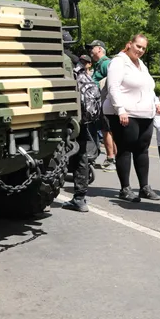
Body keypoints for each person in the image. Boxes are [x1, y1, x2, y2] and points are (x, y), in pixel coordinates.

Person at [104, 33, 160, 202]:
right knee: (125, 149)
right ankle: (125, 188)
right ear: (130, 44)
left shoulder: (141, 64)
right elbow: (113, 87)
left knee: (142, 150)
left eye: (143, 48)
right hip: (126, 113)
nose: (140, 50)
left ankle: (144, 187)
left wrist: (157, 103)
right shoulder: (119, 62)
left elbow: (148, 88)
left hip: (145, 114)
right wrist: (120, 110)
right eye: (138, 46)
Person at [64, 55, 101, 212]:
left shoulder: (61, 59)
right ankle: (80, 198)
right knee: (81, 156)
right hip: (81, 118)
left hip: (63, 116)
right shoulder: (77, 65)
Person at [89, 40, 116, 171]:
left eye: (92, 48)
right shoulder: (100, 64)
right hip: (103, 103)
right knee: (107, 131)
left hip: (107, 103)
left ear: (99, 49)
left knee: (108, 131)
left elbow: (113, 82)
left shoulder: (105, 63)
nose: (90, 50)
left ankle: (111, 159)